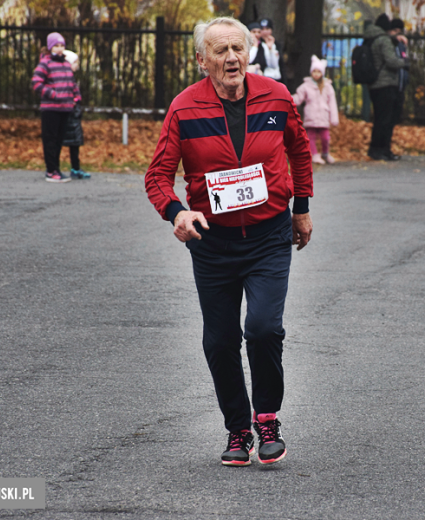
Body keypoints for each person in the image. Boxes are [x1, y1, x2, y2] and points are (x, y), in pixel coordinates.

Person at [144, 16, 314, 467]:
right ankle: (238, 428)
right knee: (220, 341)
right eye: (220, 51)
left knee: (263, 329)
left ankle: (267, 419)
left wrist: (302, 206)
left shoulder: (276, 97)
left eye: (238, 48)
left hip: (269, 236)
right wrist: (176, 212)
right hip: (213, 244)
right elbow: (158, 176)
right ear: (202, 60)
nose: (232, 57)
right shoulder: (184, 108)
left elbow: (298, 149)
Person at [31, 32, 80, 183]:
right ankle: (51, 170)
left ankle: (56, 169)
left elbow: (71, 83)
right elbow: (36, 83)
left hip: (65, 108)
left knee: (59, 140)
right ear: (50, 47)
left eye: (62, 46)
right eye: (56, 46)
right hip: (51, 108)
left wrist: (75, 97)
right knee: (50, 139)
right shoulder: (45, 63)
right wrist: (53, 94)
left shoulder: (66, 64)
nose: (60, 49)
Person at [365, 14, 407, 161]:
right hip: (386, 83)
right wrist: (405, 62)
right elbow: (391, 61)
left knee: (379, 118)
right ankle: (382, 150)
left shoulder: (371, 39)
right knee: (385, 119)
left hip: (375, 84)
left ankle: (376, 149)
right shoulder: (383, 40)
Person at [293, 55, 339, 164]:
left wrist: (334, 118)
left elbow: (332, 103)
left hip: (323, 117)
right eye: (314, 71)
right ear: (311, 72)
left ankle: (325, 153)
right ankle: (314, 155)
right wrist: (287, 98)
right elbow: (298, 98)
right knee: (311, 138)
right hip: (311, 116)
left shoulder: (328, 86)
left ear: (322, 73)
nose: (316, 74)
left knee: (325, 138)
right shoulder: (306, 86)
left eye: (319, 71)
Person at [61, 50, 90, 180]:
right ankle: (71, 168)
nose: (77, 65)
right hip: (70, 114)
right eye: (75, 62)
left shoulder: (71, 78)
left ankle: (75, 167)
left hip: (74, 114)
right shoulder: (65, 78)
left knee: (75, 143)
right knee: (68, 142)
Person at [389, 18, 409, 124]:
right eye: (395, 31)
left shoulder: (401, 46)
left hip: (401, 85)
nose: (397, 34)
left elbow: (405, 61)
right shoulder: (388, 44)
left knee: (397, 115)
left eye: (399, 32)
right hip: (392, 85)